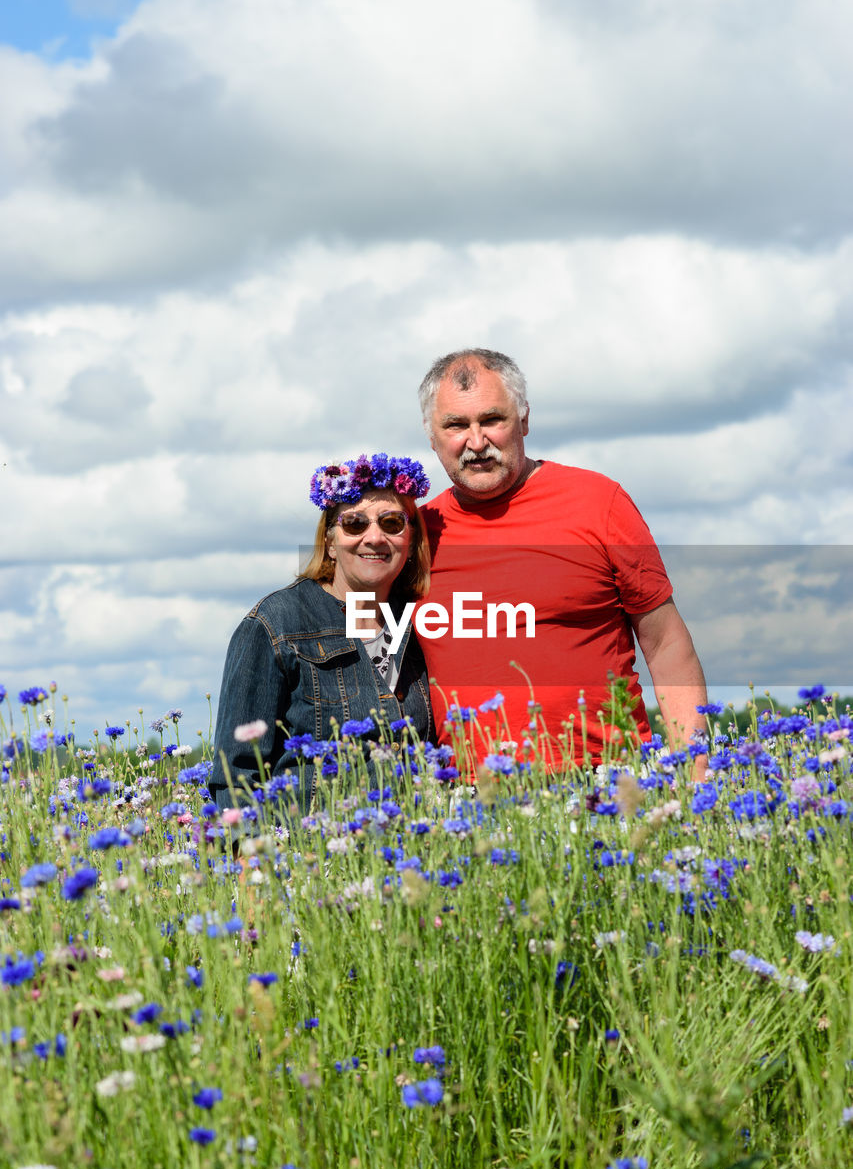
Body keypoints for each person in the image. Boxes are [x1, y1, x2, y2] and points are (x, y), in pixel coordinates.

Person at [416, 348, 708, 773]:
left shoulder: (598, 502)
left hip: (604, 780)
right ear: (431, 434)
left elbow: (665, 644)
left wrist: (695, 775)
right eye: (456, 425)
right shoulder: (416, 534)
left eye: (492, 420)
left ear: (524, 419)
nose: (476, 442)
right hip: (469, 798)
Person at [208, 454, 434, 820]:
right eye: (354, 524)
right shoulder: (275, 624)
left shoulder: (418, 625)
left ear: (410, 540)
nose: (374, 537)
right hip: (310, 860)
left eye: (392, 523)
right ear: (329, 542)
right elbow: (236, 778)